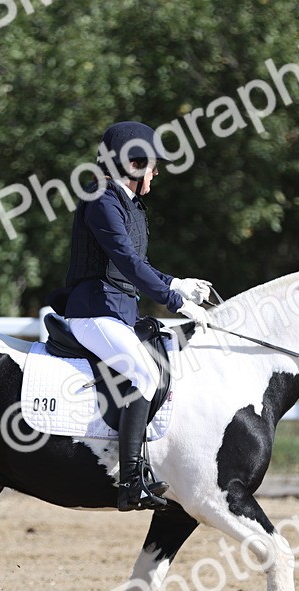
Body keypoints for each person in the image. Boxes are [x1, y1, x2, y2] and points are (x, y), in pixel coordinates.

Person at [63, 121, 212, 512]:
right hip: (93, 310)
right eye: (152, 165)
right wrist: (175, 301)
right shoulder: (100, 199)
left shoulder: (128, 205)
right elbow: (126, 262)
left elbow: (139, 264)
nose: (156, 172)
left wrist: (177, 283)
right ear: (134, 162)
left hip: (117, 313)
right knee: (143, 373)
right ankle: (131, 480)